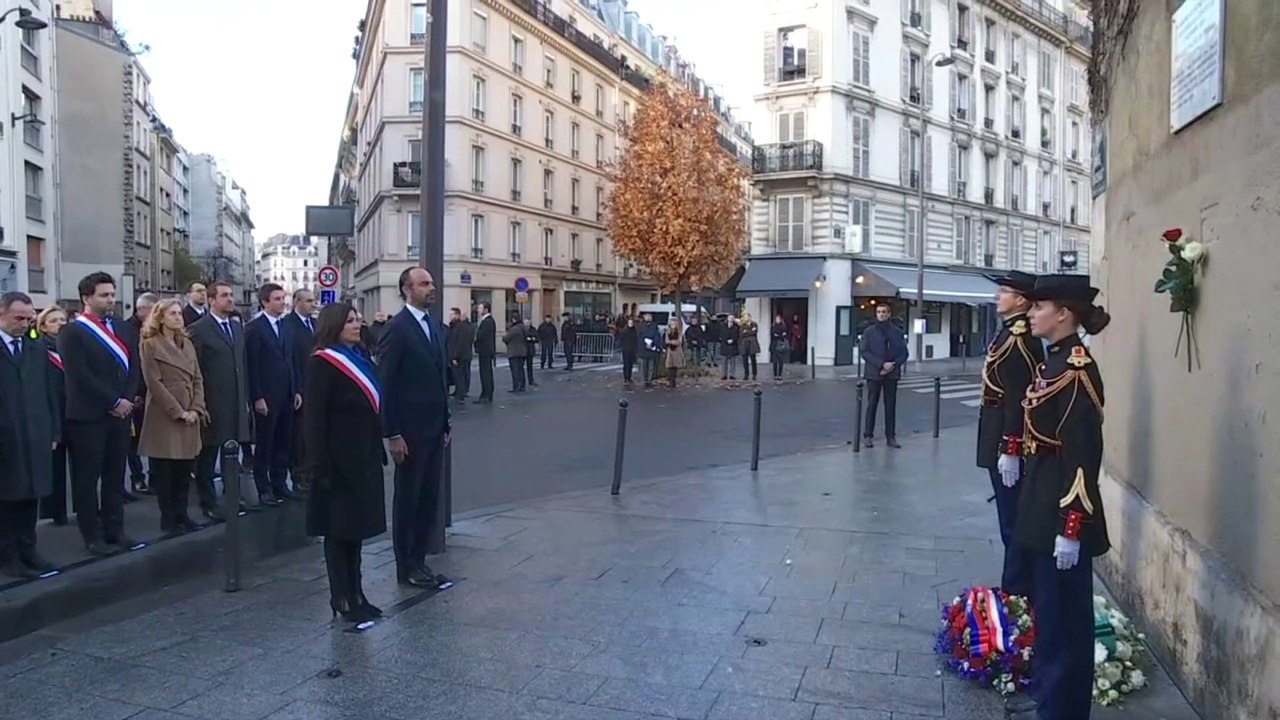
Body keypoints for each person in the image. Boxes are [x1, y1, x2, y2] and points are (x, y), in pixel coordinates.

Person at [1007, 274, 1111, 720]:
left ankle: (1062, 711)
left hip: (1060, 514)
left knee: (1065, 624)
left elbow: (1083, 454)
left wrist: (1072, 526)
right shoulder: (1054, 362)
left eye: (1039, 307)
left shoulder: (1076, 370)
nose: (1030, 314)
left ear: (1063, 314)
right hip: (1041, 505)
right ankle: (1051, 703)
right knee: (1050, 619)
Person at [305, 302, 387, 622]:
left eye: (357, 319)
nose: (357, 324)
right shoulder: (322, 363)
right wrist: (318, 465)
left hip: (363, 456)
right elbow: (314, 419)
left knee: (357, 530)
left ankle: (357, 593)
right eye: (350, 320)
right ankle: (341, 596)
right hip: (336, 461)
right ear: (334, 325)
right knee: (338, 531)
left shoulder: (361, 357)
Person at [378, 267, 452, 589]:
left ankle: (419, 562)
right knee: (408, 499)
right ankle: (405, 565)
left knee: (428, 498)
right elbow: (386, 384)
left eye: (432, 283)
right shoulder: (397, 328)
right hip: (409, 432)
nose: (431, 288)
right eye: (424, 284)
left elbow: (439, 377)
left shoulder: (433, 325)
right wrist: (392, 432)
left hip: (434, 429)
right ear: (407, 290)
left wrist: (445, 421)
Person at [60, 272, 141, 555]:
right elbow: (79, 375)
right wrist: (112, 400)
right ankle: (92, 536)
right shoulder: (72, 332)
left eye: (112, 294)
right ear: (87, 298)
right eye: (104, 295)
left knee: (115, 476)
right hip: (88, 416)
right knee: (87, 478)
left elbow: (134, 367)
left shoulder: (122, 328)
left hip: (120, 415)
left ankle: (114, 530)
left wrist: (127, 398)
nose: (110, 300)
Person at [976, 270, 1043, 600]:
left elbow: (1019, 397)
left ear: (1020, 300)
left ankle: (1016, 591)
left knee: (1013, 521)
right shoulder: (1009, 333)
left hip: (1007, 439)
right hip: (997, 432)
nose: (997, 297)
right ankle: (1017, 584)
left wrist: (1011, 447)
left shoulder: (1019, 339)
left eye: (1004, 292)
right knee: (1009, 518)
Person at [0, 292, 59, 578]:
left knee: (31, 492)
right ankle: (8, 555)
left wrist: (53, 430)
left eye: (28, 318)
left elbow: (50, 392)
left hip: (35, 431)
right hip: (6, 434)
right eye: (18, 318)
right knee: (7, 497)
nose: (24, 324)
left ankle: (28, 549)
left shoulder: (35, 349)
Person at [137, 299, 208, 535]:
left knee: (184, 470)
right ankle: (167, 518)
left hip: (190, 409)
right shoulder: (150, 345)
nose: (178, 317)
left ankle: (182, 514)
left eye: (179, 313)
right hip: (165, 414)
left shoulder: (187, 344)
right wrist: (178, 412)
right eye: (173, 314)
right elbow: (153, 383)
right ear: (161, 318)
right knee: (166, 471)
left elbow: (198, 378)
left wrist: (196, 408)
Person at [188, 280, 254, 520]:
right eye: (224, 295)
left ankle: (233, 496)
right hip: (212, 402)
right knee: (207, 455)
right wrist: (199, 403)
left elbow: (242, 364)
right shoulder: (199, 329)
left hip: (235, 400)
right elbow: (194, 369)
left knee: (232, 451)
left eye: (231, 295)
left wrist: (246, 398)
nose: (230, 299)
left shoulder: (236, 327)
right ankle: (208, 502)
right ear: (211, 300)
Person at [244, 283, 301, 505]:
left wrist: (296, 389)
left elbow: (291, 360)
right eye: (277, 299)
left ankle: (280, 483)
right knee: (265, 443)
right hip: (267, 396)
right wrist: (257, 397)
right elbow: (252, 364)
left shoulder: (286, 326)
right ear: (265, 302)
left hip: (287, 393)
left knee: (284, 441)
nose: (282, 302)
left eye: (283, 298)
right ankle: (263, 487)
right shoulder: (255, 328)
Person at [35, 306, 70, 526]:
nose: (60, 324)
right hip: (52, 409)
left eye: (63, 320)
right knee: (54, 466)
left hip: (73, 409)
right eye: (54, 321)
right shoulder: (39, 349)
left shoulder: (71, 347)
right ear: (43, 326)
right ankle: (56, 512)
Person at [859, 303, 909, 448]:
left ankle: (890, 437)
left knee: (890, 406)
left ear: (889, 314)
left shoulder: (896, 332)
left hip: (892, 374)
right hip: (874, 374)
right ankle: (868, 436)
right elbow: (865, 352)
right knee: (872, 404)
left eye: (884, 312)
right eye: (879, 312)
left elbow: (904, 353)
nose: (881, 314)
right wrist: (881, 364)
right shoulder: (869, 332)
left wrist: (893, 365)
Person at [283, 289, 317, 494]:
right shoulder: (288, 325)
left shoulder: (315, 324)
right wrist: (296, 389)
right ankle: (298, 475)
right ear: (297, 302)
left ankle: (311, 473)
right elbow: (290, 359)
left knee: (312, 433)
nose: (313, 304)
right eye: (309, 301)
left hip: (316, 386)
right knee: (299, 436)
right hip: (300, 387)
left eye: (314, 300)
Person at [125, 293, 158, 498]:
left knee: (154, 435)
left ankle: (154, 477)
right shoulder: (128, 329)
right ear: (142, 309)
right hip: (136, 391)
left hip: (152, 390)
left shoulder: (155, 328)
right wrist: (134, 392)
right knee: (133, 440)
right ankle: (137, 477)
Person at [446, 307, 475, 402]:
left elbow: (460, 343)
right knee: (456, 375)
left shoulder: (461, 327)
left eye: (452, 314)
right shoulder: (453, 326)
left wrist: (455, 357)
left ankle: (460, 395)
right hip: (457, 354)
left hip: (460, 356)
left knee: (459, 375)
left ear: (457, 315)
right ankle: (458, 392)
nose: (450, 316)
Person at [473, 303, 496, 403]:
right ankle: (485, 393)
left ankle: (486, 394)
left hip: (485, 350)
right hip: (484, 350)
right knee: (484, 373)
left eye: (480, 308)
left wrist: (475, 337)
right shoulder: (485, 321)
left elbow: (481, 335)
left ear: (486, 309)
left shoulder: (488, 321)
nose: (478, 310)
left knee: (486, 373)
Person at [503, 315, 528, 392]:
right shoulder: (523, 328)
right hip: (522, 351)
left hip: (513, 351)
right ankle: (522, 385)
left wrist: (504, 338)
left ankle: (516, 385)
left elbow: (506, 338)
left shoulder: (514, 329)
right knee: (521, 369)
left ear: (514, 320)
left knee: (515, 370)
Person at [637, 313, 660, 388]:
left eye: (650, 316)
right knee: (643, 366)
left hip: (651, 348)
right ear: (644, 317)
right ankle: (644, 380)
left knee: (651, 366)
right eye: (647, 316)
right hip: (643, 349)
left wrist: (652, 343)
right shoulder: (640, 326)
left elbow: (657, 336)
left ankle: (649, 380)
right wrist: (644, 344)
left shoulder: (654, 326)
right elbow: (639, 337)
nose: (648, 317)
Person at [663, 318, 684, 388]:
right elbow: (666, 341)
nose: (673, 325)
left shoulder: (679, 332)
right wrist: (673, 342)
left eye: (674, 324)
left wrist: (672, 342)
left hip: (677, 350)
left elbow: (679, 341)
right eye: (671, 324)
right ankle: (670, 380)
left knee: (675, 365)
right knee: (670, 365)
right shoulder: (667, 332)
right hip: (670, 350)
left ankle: (674, 380)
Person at [740, 313, 760, 381]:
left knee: (753, 359)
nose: (746, 318)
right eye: (745, 317)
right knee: (745, 360)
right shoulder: (742, 325)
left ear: (750, 317)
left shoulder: (754, 324)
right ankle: (746, 374)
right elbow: (741, 334)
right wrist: (750, 331)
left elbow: (754, 333)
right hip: (744, 344)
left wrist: (746, 332)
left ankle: (754, 374)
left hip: (752, 344)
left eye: (747, 317)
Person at [619, 316, 638, 385]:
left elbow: (636, 339)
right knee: (626, 364)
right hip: (626, 349)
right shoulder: (624, 331)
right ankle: (626, 377)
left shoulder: (635, 330)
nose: (630, 324)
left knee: (630, 364)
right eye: (629, 323)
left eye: (631, 323)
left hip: (632, 349)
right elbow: (621, 340)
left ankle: (629, 377)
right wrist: (622, 347)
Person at [720, 315, 741, 380]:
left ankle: (732, 375)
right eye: (730, 318)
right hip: (725, 345)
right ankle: (724, 375)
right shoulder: (723, 326)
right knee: (724, 361)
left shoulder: (736, 327)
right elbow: (721, 334)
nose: (731, 319)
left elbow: (738, 335)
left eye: (732, 318)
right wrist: (726, 340)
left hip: (733, 345)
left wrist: (733, 340)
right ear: (727, 319)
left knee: (733, 361)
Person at [769, 314, 789, 380]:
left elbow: (785, 335)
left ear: (780, 320)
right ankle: (775, 375)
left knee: (781, 361)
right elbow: (772, 335)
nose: (777, 320)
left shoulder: (783, 327)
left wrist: (778, 335)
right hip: (774, 345)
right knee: (775, 361)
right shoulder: (773, 326)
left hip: (781, 345)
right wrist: (779, 335)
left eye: (778, 319)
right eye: (776, 319)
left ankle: (780, 374)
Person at [522, 318, 539, 388]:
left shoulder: (533, 329)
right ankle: (522, 382)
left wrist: (531, 338)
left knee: (530, 366)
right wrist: (529, 338)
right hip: (523, 350)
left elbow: (537, 338)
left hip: (530, 350)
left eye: (528, 323)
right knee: (521, 366)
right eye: (526, 323)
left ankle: (531, 380)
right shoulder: (522, 329)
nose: (527, 324)